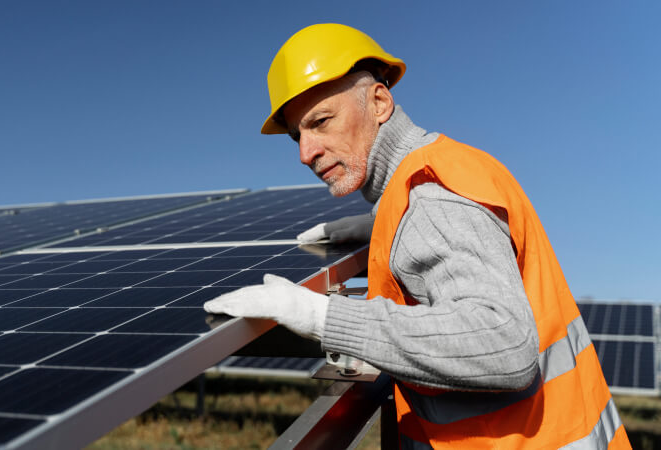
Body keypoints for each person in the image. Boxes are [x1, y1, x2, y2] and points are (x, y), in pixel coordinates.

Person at [204, 23, 628, 448]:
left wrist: (323, 318)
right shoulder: (441, 170)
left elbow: (505, 345)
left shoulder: (429, 197)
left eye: (322, 121)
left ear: (380, 102)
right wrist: (382, 223)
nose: (305, 153)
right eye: (299, 135)